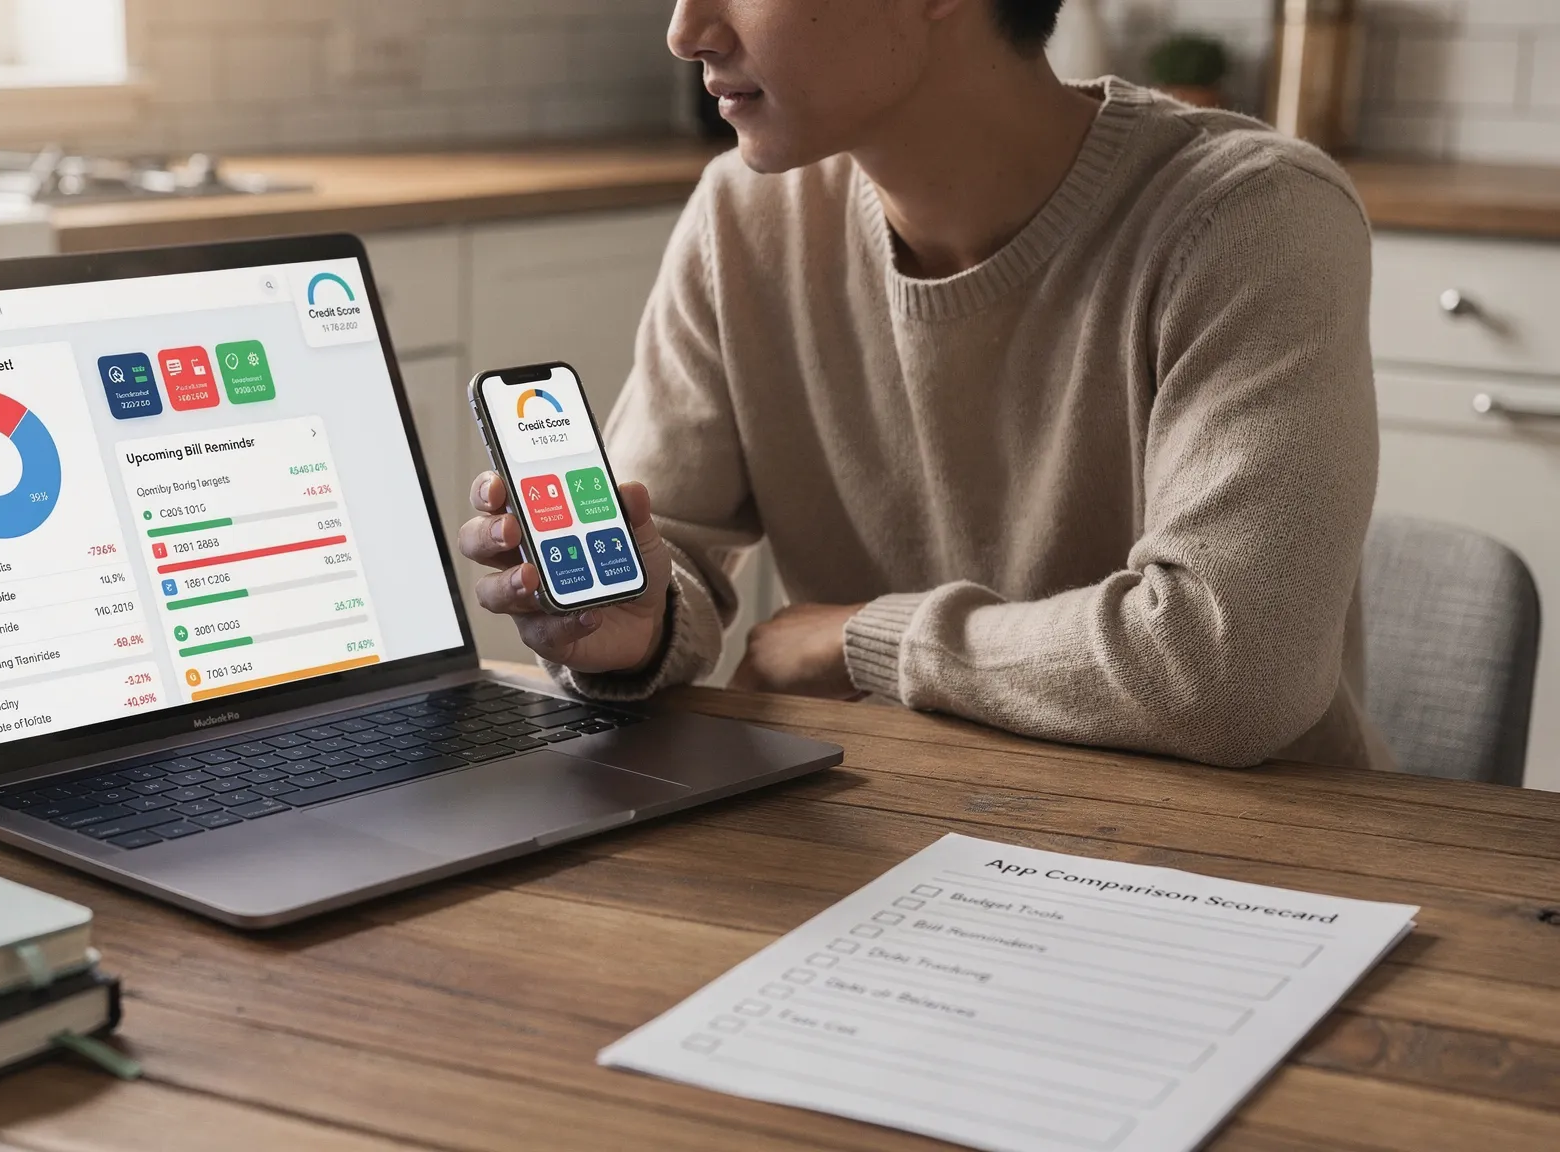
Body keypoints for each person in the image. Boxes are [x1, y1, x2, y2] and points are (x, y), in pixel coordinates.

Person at [457, 0, 1387, 770]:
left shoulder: (1249, 216)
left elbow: (1232, 672)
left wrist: (867, 638)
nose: (685, 27)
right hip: (905, 828)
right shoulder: (742, 218)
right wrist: (637, 626)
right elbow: (676, 550)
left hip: (1247, 874)